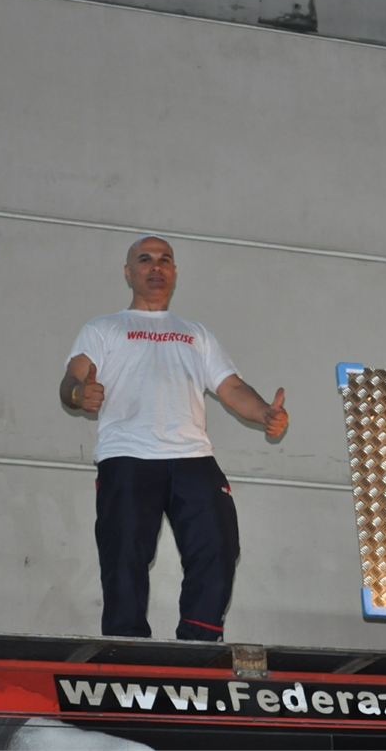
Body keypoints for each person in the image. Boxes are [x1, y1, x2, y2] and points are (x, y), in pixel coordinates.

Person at [60, 235, 288, 641]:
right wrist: (79, 394)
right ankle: (127, 646)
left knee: (219, 545)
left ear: (175, 272)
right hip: (126, 456)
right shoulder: (103, 328)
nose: (156, 267)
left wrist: (265, 413)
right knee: (124, 555)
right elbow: (71, 380)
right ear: (128, 272)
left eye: (165, 260)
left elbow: (232, 388)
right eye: (145, 259)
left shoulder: (196, 334)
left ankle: (199, 641)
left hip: (193, 458)